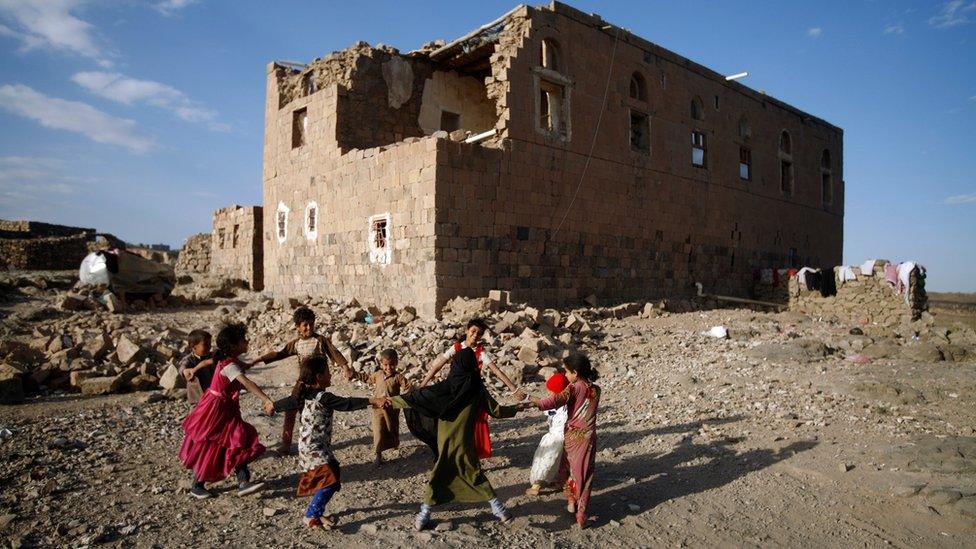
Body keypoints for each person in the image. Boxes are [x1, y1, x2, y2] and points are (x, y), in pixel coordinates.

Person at [391, 347, 525, 531]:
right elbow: (497, 411)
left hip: (445, 441)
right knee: (473, 473)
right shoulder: (477, 390)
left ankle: (423, 516)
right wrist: (518, 408)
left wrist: (390, 401)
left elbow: (418, 398)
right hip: (465, 441)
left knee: (439, 474)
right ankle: (500, 510)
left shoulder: (445, 388)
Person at [271, 356, 388, 529]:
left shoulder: (306, 394)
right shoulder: (323, 397)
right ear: (319, 377)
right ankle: (311, 515)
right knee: (331, 480)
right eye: (327, 372)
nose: (330, 375)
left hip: (316, 446)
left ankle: (317, 512)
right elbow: (346, 403)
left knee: (333, 474)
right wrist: (372, 400)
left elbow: (288, 402)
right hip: (313, 448)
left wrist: (273, 405)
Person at [178, 323, 274, 499]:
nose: (247, 341)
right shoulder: (229, 365)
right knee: (222, 442)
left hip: (224, 408)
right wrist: (266, 399)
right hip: (217, 410)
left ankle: (242, 482)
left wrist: (254, 361)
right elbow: (247, 383)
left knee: (234, 441)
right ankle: (199, 484)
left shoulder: (227, 360)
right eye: (243, 340)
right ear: (234, 345)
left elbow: (221, 364)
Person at [417, 318, 526, 459]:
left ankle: (472, 454)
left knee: (474, 424)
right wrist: (423, 384)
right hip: (455, 391)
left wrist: (514, 389)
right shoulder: (456, 348)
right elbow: (438, 365)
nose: (475, 335)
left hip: (472, 393)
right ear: (467, 330)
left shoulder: (480, 352)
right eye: (473, 331)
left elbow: (497, 371)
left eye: (479, 333)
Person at [252, 306, 353, 455]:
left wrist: (345, 367)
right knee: (290, 411)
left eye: (311, 324)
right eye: (305, 325)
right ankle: (286, 444)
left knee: (312, 413)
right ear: (298, 327)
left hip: (317, 385)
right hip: (301, 383)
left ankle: (315, 442)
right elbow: (280, 353)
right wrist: (258, 360)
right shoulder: (296, 344)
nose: (309, 327)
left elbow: (334, 352)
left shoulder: (320, 340)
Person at [526, 353, 601, 528]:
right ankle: (581, 512)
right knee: (585, 474)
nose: (566, 376)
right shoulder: (596, 389)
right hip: (589, 438)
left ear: (575, 372)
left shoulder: (573, 388)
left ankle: (571, 501)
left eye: (567, 372)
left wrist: (531, 401)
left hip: (573, 437)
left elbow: (554, 401)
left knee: (567, 470)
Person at [348, 348, 412, 466]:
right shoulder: (378, 375)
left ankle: (394, 446)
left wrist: (403, 400)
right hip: (378, 408)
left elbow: (409, 388)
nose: (388, 368)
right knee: (378, 430)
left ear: (396, 363)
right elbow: (367, 379)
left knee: (392, 428)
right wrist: (355, 374)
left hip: (392, 409)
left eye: (392, 365)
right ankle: (378, 455)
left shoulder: (398, 377)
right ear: (381, 364)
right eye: (386, 365)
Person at [525, 372, 569, 496]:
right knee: (560, 462)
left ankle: (536, 486)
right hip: (563, 438)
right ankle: (561, 482)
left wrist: (529, 398)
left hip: (555, 439)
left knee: (545, 461)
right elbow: (543, 403)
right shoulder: (564, 403)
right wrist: (528, 398)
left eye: (551, 392)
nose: (549, 394)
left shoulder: (560, 404)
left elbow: (543, 404)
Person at [178, 329, 215, 405]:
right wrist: (185, 372)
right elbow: (182, 367)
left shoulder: (212, 356)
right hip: (197, 400)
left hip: (213, 396)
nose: (209, 347)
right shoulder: (189, 359)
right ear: (193, 347)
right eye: (206, 344)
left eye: (210, 344)